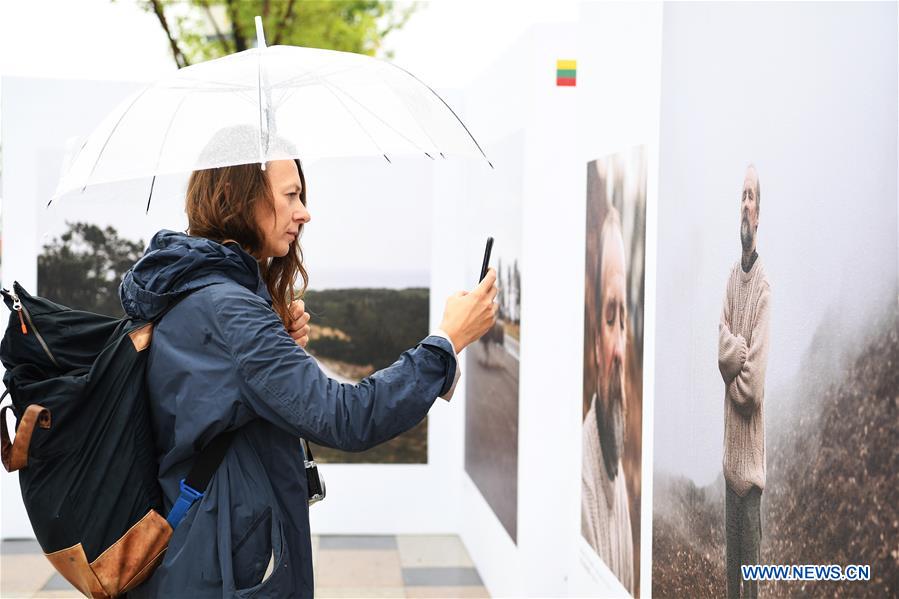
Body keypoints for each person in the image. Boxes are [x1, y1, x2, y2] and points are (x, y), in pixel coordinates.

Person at [121, 154, 498, 597]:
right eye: (291, 195)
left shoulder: (195, 287)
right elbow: (348, 417)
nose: (305, 211)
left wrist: (272, 336)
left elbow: (216, 393)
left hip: (206, 541)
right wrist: (446, 343)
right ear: (240, 198)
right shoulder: (230, 309)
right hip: (224, 566)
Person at [717, 164, 771, 599]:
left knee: (749, 589)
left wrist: (732, 370)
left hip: (749, 478)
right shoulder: (730, 281)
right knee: (730, 586)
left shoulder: (764, 289)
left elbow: (751, 390)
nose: (745, 204)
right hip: (728, 468)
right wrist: (737, 355)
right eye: (741, 196)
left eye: (752, 196)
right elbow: (723, 352)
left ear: (760, 214)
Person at [581, 205, 634, 595]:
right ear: (595, 346)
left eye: (625, 321)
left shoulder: (613, 460)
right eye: (609, 318)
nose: (618, 347)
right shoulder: (581, 490)